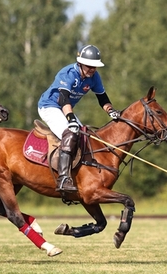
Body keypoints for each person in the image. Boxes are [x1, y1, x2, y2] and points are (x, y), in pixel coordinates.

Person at [37, 45, 120, 194]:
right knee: (71, 133)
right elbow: (63, 98)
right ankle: (63, 178)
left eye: (95, 66)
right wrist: (71, 119)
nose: (92, 69)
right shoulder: (68, 73)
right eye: (89, 66)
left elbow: (102, 97)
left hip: (66, 109)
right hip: (50, 106)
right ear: (80, 63)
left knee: (85, 136)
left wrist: (111, 111)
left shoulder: (94, 77)